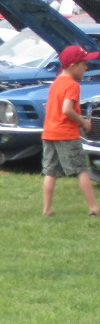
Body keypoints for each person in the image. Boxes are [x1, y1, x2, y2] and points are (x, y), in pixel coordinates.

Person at [40, 45, 99, 217]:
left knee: (50, 172)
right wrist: (84, 122)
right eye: (84, 64)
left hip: (49, 133)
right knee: (81, 169)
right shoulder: (72, 85)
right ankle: (94, 207)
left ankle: (47, 209)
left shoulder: (56, 82)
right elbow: (67, 109)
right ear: (73, 65)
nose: (86, 68)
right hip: (66, 134)